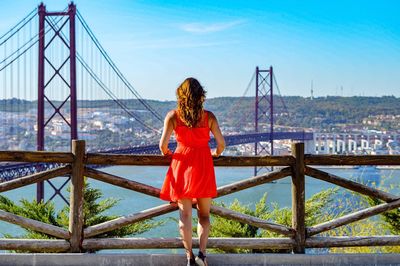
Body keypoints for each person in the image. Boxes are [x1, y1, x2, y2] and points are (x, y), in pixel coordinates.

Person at [159, 77, 225, 266]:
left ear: (181, 95)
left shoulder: (173, 116)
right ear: (200, 95)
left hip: (181, 164)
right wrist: (215, 153)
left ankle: (189, 257)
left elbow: (162, 146)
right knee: (204, 215)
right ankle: (202, 254)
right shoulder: (209, 117)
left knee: (185, 216)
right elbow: (221, 144)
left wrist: (169, 153)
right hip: (203, 163)